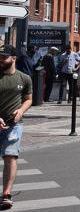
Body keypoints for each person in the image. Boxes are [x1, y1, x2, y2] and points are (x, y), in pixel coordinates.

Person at [0, 45, 33, 210]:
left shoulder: (24, 78)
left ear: (14, 58)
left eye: (4, 57)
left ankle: (6, 193)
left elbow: (28, 99)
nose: (0, 60)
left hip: (14, 125)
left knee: (10, 156)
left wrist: (20, 111)